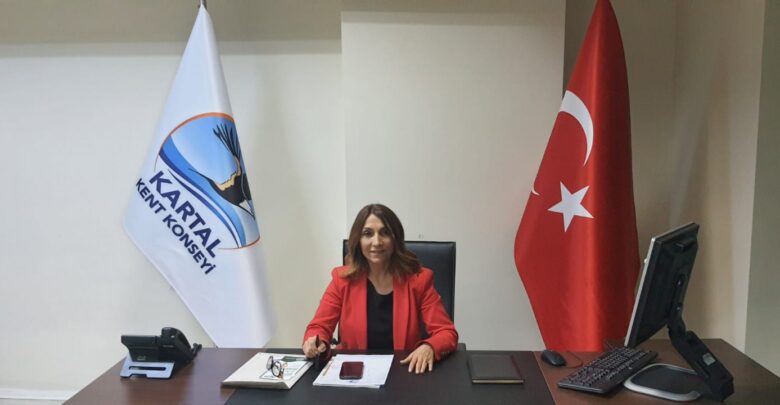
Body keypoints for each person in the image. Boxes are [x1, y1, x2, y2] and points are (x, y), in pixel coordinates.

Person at [302, 203, 458, 374]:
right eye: (368, 234)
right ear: (358, 240)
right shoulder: (342, 280)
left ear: (395, 239)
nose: (376, 242)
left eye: (385, 233)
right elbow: (318, 327)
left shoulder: (418, 280)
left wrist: (429, 347)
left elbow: (446, 332)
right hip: (355, 374)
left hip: (403, 372)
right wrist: (316, 342)